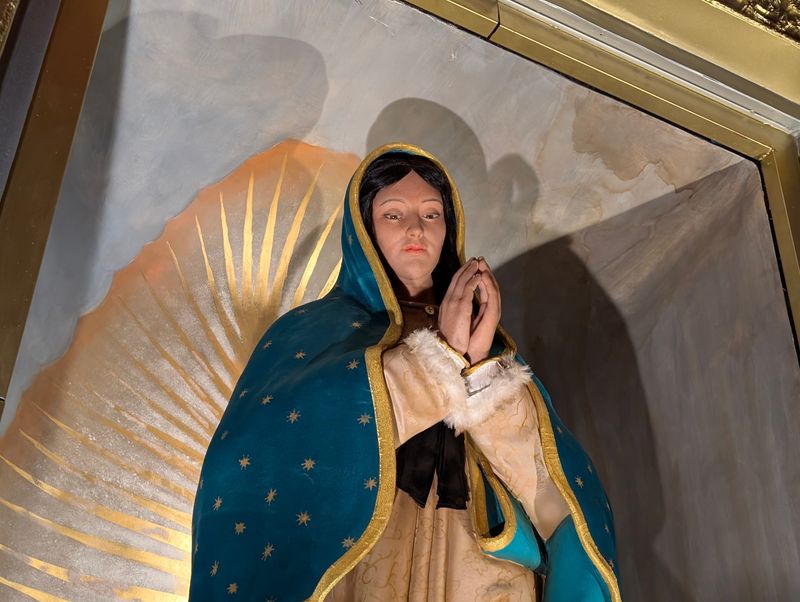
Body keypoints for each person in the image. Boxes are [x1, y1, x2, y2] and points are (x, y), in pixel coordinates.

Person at [189, 144, 621, 601]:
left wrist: (479, 374)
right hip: (364, 554)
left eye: (432, 214)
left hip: (479, 562)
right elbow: (259, 454)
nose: (416, 228)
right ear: (364, 230)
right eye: (394, 214)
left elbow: (556, 488)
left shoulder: (489, 343)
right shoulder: (312, 333)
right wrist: (435, 362)